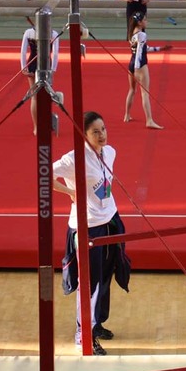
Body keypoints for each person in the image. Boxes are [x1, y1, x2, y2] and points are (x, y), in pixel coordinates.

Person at [53, 111, 131, 356]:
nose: (102, 135)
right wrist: (70, 192)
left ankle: (96, 324)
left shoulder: (110, 152)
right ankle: (83, 333)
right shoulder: (73, 159)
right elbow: (43, 173)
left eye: (103, 129)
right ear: (84, 135)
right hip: (88, 226)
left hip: (111, 220)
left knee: (107, 274)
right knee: (90, 282)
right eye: (95, 132)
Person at [124, 11, 170, 129]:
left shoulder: (132, 33)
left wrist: (160, 49)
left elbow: (145, 48)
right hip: (140, 65)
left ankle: (127, 115)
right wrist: (137, 68)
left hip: (131, 63)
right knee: (145, 94)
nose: (146, 22)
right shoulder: (142, 35)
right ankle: (149, 120)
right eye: (145, 20)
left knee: (132, 90)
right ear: (139, 22)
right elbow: (140, 52)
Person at [20, 20, 60, 135]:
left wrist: (23, 67)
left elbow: (23, 52)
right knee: (46, 95)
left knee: (34, 97)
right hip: (46, 65)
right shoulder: (53, 34)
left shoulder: (28, 32)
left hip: (32, 65)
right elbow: (55, 53)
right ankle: (44, 124)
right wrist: (53, 69)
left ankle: (36, 127)